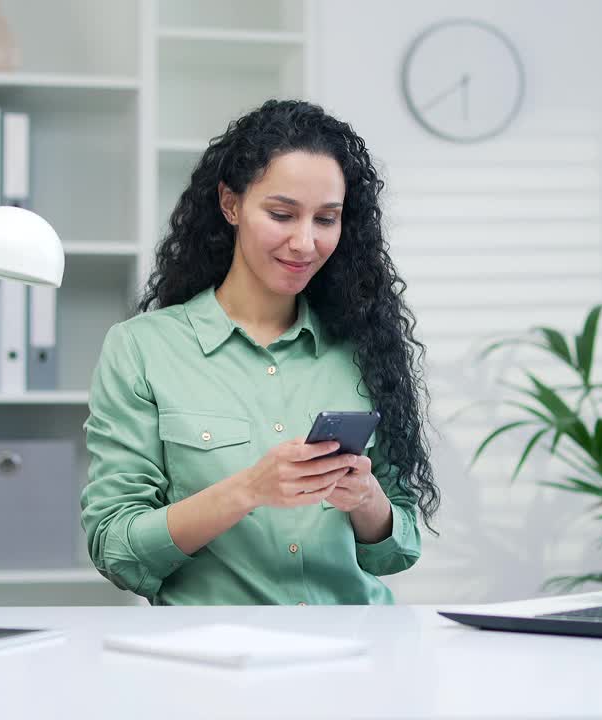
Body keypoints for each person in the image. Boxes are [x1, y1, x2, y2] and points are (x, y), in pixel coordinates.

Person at [81, 99, 438, 605]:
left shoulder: (362, 349)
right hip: (214, 658)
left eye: (326, 219)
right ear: (231, 204)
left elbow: (393, 553)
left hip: (357, 649)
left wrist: (366, 499)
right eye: (281, 214)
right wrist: (249, 489)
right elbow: (116, 549)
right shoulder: (142, 349)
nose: (305, 242)